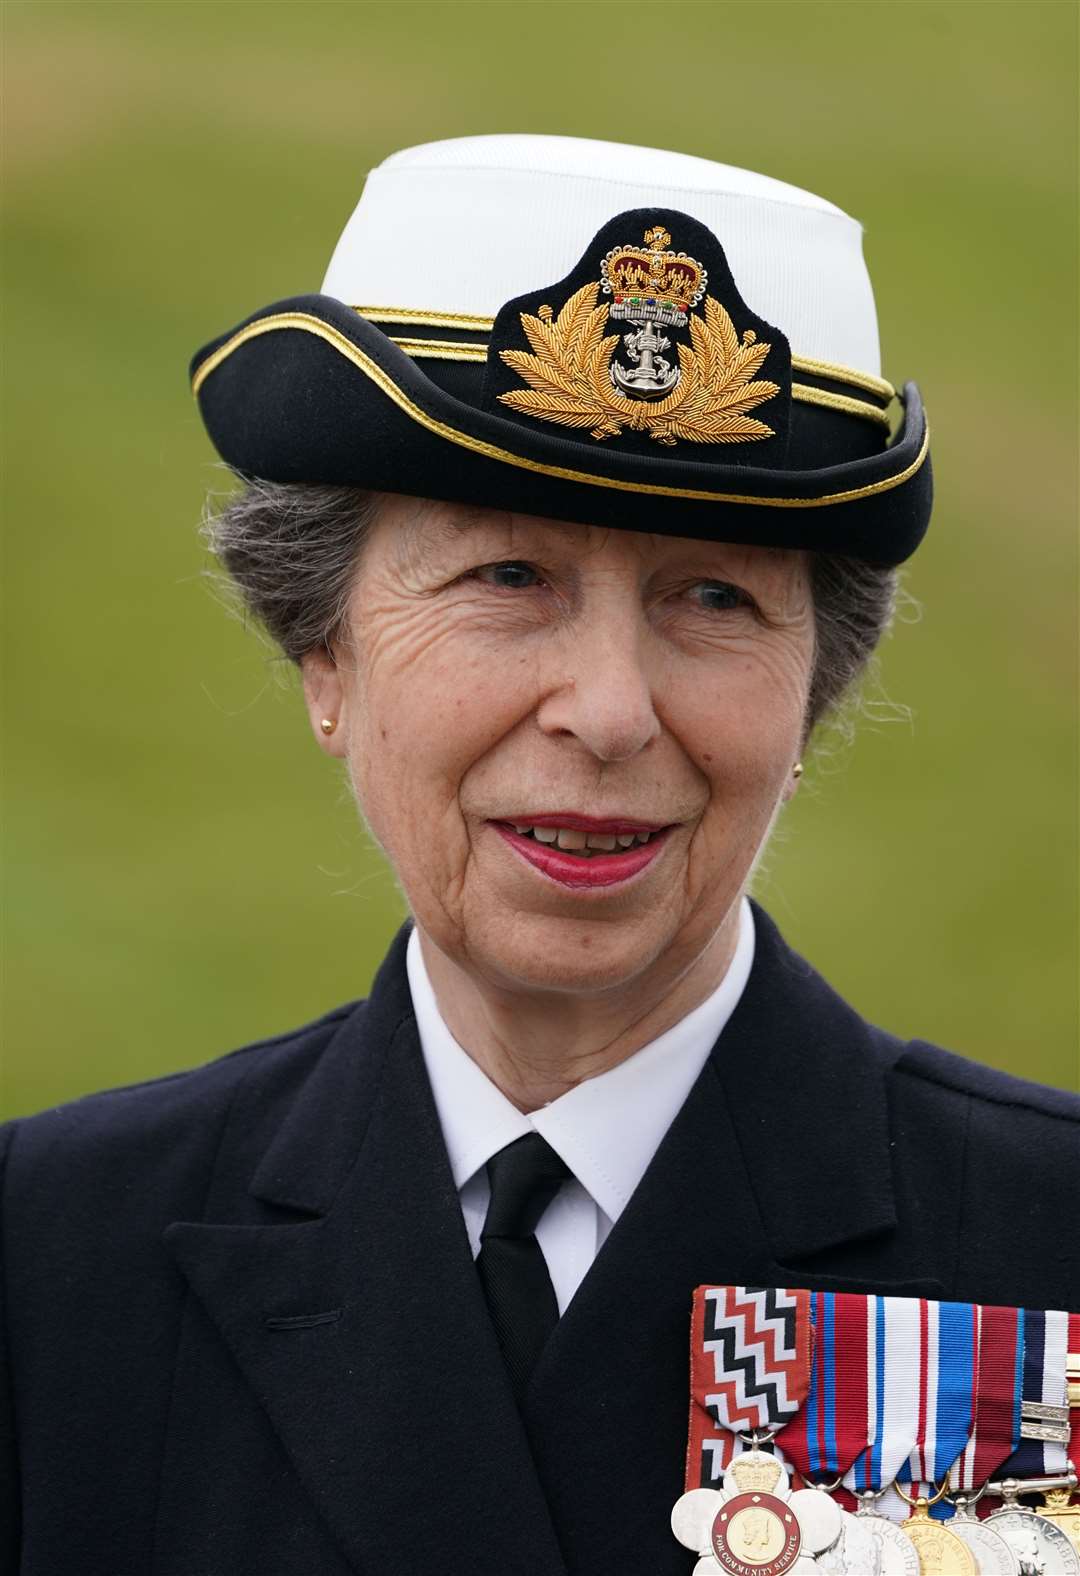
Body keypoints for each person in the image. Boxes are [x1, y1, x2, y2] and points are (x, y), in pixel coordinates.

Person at [1, 135, 1076, 1575]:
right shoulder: (52, 1255)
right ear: (324, 652)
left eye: (713, 598)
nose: (613, 712)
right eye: (510, 578)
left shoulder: (1048, 1245)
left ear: (813, 693)